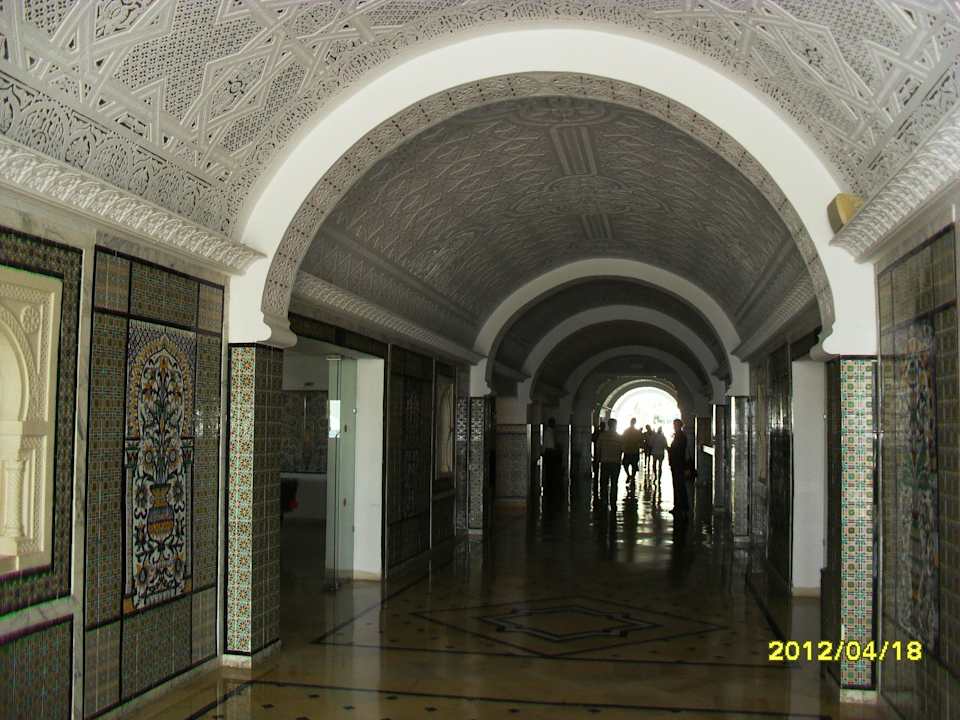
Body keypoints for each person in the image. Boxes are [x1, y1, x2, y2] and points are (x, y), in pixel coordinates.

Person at [597, 418, 623, 508]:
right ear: (616, 425)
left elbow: (598, 450)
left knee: (604, 483)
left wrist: (597, 460)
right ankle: (613, 502)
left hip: (605, 462)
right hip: (616, 463)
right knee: (614, 483)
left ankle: (604, 500)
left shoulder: (602, 436)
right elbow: (622, 450)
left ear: (608, 425)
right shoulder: (619, 437)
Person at [668, 418, 689, 517]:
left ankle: (680, 506)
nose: (673, 426)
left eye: (674, 424)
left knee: (678, 486)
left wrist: (669, 449)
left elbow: (677, 451)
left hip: (678, 465)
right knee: (679, 486)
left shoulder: (679, 436)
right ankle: (681, 506)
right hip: (678, 464)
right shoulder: (681, 436)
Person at [541, 417, 559, 491]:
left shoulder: (550, 431)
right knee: (549, 471)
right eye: (553, 423)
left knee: (550, 471)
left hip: (549, 453)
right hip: (549, 453)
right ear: (551, 423)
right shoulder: (548, 432)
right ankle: (549, 486)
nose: (554, 424)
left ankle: (549, 486)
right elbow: (547, 444)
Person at [591, 419, 605, 486]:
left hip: (597, 451)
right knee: (602, 466)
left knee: (596, 464)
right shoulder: (605, 433)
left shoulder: (597, 432)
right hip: (603, 453)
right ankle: (601, 479)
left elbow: (592, 438)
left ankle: (596, 478)